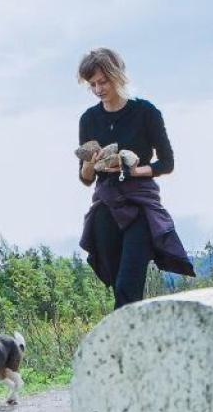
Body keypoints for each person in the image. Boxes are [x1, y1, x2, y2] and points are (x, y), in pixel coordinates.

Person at [77, 48, 195, 309]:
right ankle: (131, 340)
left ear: (117, 75)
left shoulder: (145, 112)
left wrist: (131, 169)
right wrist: (90, 160)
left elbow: (167, 163)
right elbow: (85, 178)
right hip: (106, 205)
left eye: (102, 81)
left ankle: (124, 347)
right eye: (92, 84)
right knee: (115, 281)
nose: (98, 89)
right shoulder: (88, 119)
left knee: (127, 286)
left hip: (140, 203)